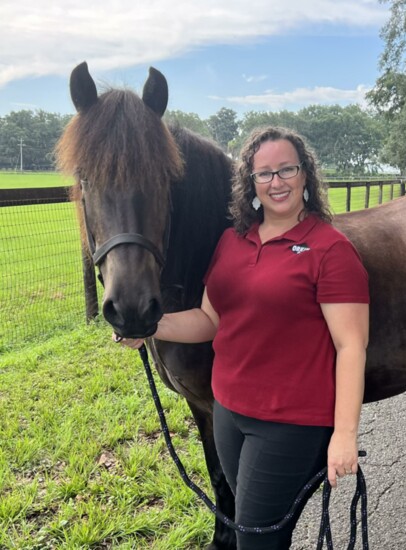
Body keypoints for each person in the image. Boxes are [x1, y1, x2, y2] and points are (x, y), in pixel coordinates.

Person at [114, 126, 369, 549]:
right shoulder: (233, 242)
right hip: (230, 414)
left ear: (305, 175)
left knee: (255, 540)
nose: (276, 181)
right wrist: (149, 328)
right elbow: (208, 319)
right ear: (249, 183)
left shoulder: (330, 249)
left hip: (289, 423)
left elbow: (350, 347)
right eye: (264, 173)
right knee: (249, 527)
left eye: (287, 169)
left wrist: (344, 433)